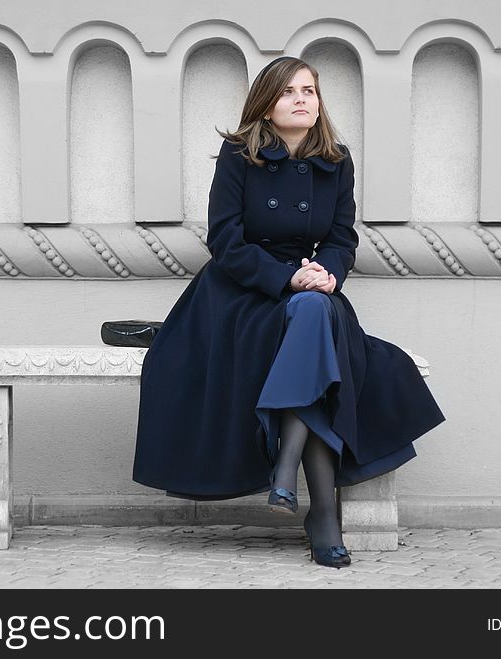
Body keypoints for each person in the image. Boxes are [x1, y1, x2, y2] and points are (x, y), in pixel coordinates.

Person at [132, 56, 445, 568]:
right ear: (266, 102)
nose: (302, 99)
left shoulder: (337, 160)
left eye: (310, 90)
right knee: (317, 335)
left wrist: (328, 274)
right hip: (241, 295)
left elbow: (342, 237)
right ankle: (322, 511)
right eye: (288, 92)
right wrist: (288, 278)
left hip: (311, 289)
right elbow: (225, 242)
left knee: (315, 315)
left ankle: (287, 469)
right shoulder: (239, 155)